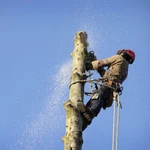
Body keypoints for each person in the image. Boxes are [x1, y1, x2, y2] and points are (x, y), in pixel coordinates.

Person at [77, 49, 135, 130]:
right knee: (96, 100)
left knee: (97, 96)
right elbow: (105, 75)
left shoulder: (118, 58)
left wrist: (86, 65)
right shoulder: (125, 70)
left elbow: (101, 63)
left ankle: (90, 114)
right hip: (111, 90)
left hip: (108, 85)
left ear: (123, 54)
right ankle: (84, 122)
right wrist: (94, 60)